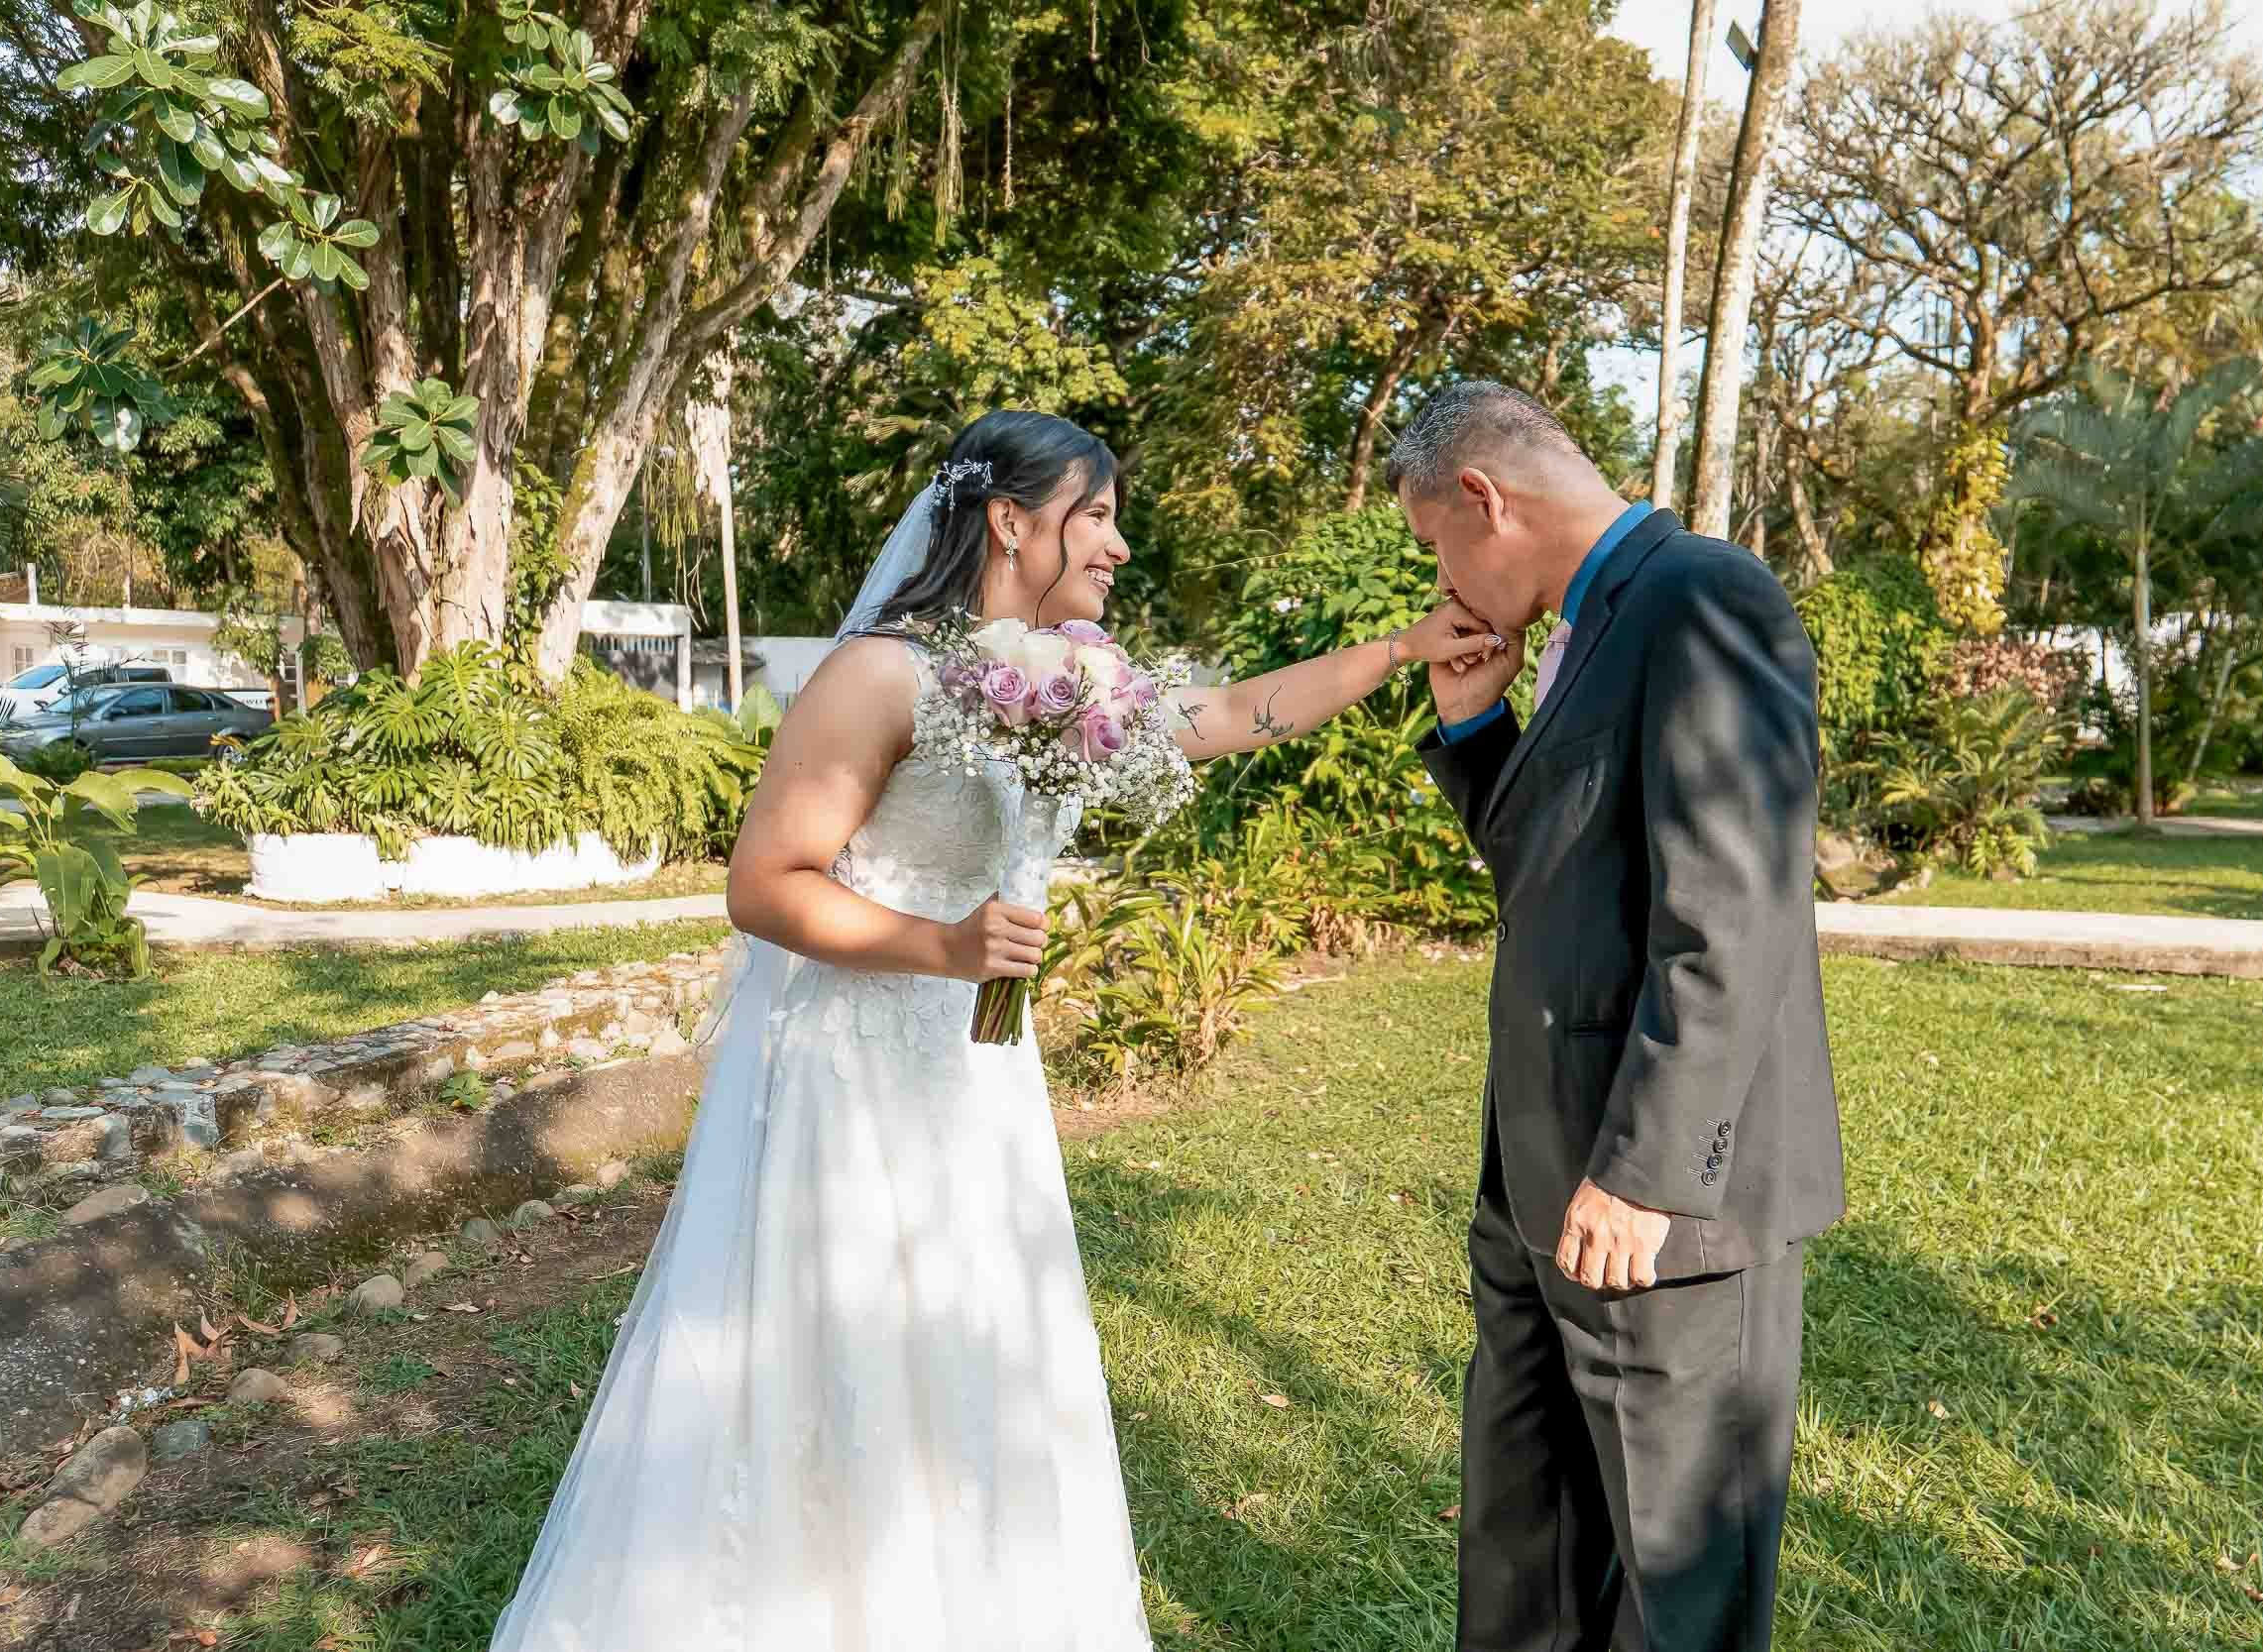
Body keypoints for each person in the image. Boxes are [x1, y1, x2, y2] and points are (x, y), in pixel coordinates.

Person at [487, 408, 1502, 1650]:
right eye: (1099, 512)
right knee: (851, 1347)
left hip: (977, 1083)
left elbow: (1226, 713)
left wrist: (1401, 647)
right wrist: (946, 947)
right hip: (857, 1083)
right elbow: (764, 882)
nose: (1120, 544)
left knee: (975, 1344)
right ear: (1011, 519)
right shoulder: (879, 673)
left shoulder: (1062, 672)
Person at [1398, 383, 1846, 1652]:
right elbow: (1559, 872)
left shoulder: (1699, 596)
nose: (1443, 577)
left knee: (1674, 1576)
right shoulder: (1588, 617)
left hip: (1655, 1205)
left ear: (1484, 499)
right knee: (1525, 1535)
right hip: (1537, 1173)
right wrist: (1473, 728)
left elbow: (1731, 913)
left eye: (1437, 544)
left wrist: (1645, 1174)